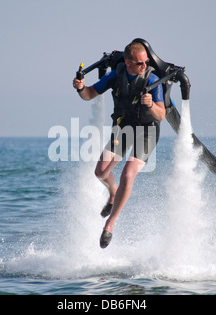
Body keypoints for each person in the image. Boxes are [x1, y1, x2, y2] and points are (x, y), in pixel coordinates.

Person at [72, 41, 165, 248]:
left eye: (146, 62)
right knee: (100, 172)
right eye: (140, 63)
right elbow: (89, 94)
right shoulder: (116, 75)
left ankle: (110, 224)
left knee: (127, 174)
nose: (144, 65)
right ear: (128, 62)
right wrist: (80, 88)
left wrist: (151, 105)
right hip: (123, 129)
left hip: (146, 132)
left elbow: (162, 114)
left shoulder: (152, 79)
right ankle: (113, 192)